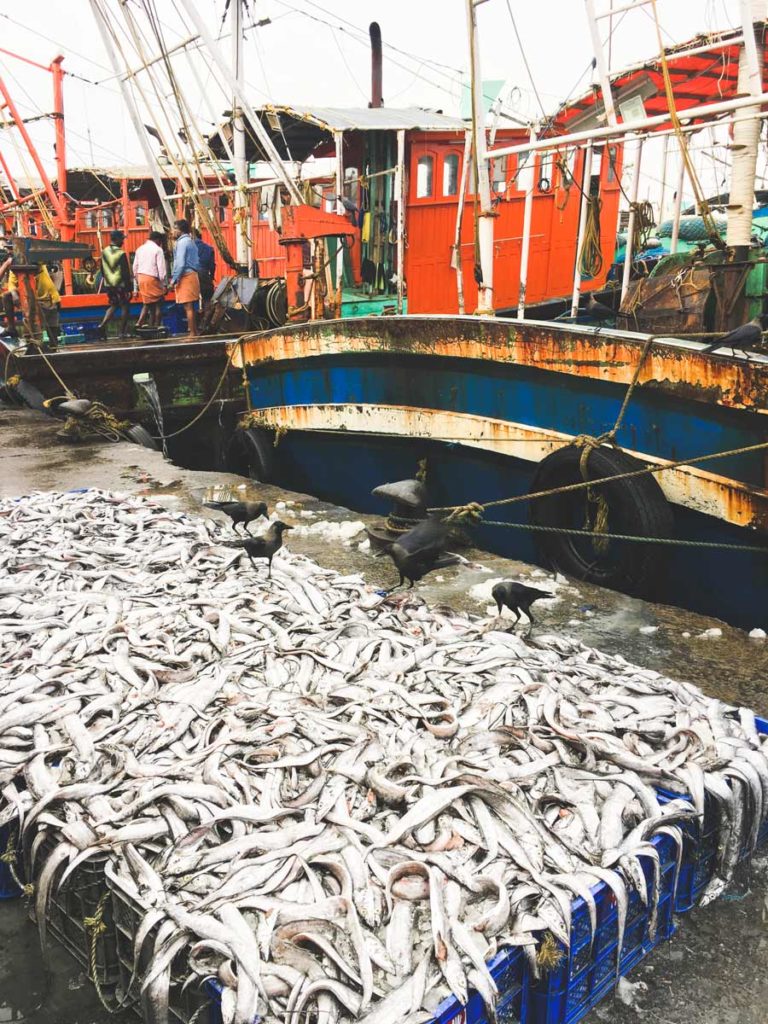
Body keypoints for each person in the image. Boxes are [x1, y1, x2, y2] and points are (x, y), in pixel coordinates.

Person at [7, 262, 61, 350]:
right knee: (7, 296)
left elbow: (40, 263)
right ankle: (11, 328)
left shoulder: (38, 262)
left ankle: (53, 347)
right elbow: (11, 284)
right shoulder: (15, 268)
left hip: (49, 298)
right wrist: (14, 293)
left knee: (52, 326)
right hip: (32, 300)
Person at [99, 229, 132, 338]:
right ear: (117, 239)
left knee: (113, 305)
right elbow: (125, 272)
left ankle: (102, 325)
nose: (123, 241)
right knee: (125, 307)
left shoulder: (104, 252)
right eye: (122, 239)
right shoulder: (121, 253)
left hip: (109, 284)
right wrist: (129, 288)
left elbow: (102, 270)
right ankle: (121, 332)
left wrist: (107, 280)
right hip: (120, 285)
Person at [171, 218, 200, 337]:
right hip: (192, 274)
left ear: (180, 230)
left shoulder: (182, 243)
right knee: (191, 306)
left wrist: (173, 279)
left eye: (174, 229)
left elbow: (180, 263)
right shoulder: (190, 241)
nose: (172, 232)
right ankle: (194, 331)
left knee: (188, 307)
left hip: (186, 276)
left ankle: (192, 333)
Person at [133, 231, 167, 328]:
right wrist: (163, 284)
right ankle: (156, 325)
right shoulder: (158, 250)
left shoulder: (139, 249)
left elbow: (134, 267)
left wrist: (136, 281)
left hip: (141, 278)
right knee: (159, 302)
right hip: (152, 278)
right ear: (158, 240)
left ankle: (140, 322)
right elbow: (161, 269)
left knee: (147, 303)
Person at [191, 227, 215, 322]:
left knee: (191, 301)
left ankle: (192, 324)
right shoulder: (209, 248)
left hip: (191, 275)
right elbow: (212, 265)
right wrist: (212, 276)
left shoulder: (188, 247)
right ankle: (206, 321)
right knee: (207, 298)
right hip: (204, 274)